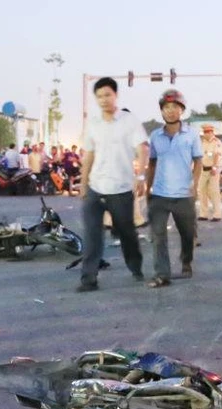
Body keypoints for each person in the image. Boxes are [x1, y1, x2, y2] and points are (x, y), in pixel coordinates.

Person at [77, 76, 149, 292]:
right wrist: (83, 183)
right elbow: (89, 155)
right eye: (99, 96)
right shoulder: (93, 124)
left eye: (107, 95)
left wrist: (141, 177)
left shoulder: (129, 121)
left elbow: (143, 149)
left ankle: (135, 266)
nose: (104, 100)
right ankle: (89, 278)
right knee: (92, 235)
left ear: (115, 95)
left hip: (121, 189)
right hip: (95, 187)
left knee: (127, 233)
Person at [145, 89, 203, 288]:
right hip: (160, 194)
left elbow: (198, 161)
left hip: (183, 195)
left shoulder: (191, 135)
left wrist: (194, 184)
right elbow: (152, 163)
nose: (170, 111)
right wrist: (147, 188)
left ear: (182, 110)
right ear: (161, 111)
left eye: (175, 107)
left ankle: (186, 261)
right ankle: (162, 274)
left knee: (187, 234)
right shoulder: (155, 136)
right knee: (158, 235)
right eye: (166, 107)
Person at [197, 124, 222, 222]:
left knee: (214, 192)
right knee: (201, 191)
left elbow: (216, 155)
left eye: (208, 132)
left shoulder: (216, 142)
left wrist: (214, 167)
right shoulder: (202, 142)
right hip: (203, 169)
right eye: (205, 132)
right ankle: (203, 214)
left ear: (212, 132)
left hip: (213, 170)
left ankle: (217, 214)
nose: (206, 134)